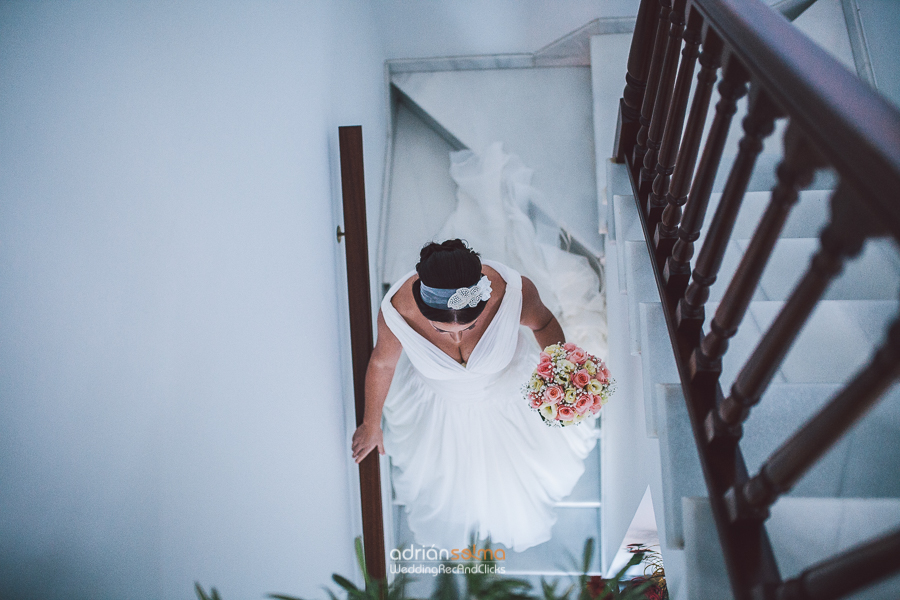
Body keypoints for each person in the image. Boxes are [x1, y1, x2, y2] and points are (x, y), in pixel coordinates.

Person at [351, 239, 597, 552]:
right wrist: (371, 422)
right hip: (444, 407)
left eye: (470, 326)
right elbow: (383, 362)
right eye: (442, 331)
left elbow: (544, 323)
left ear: (484, 303)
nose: (456, 337)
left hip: (511, 394)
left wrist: (559, 370)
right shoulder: (397, 313)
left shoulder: (513, 292)